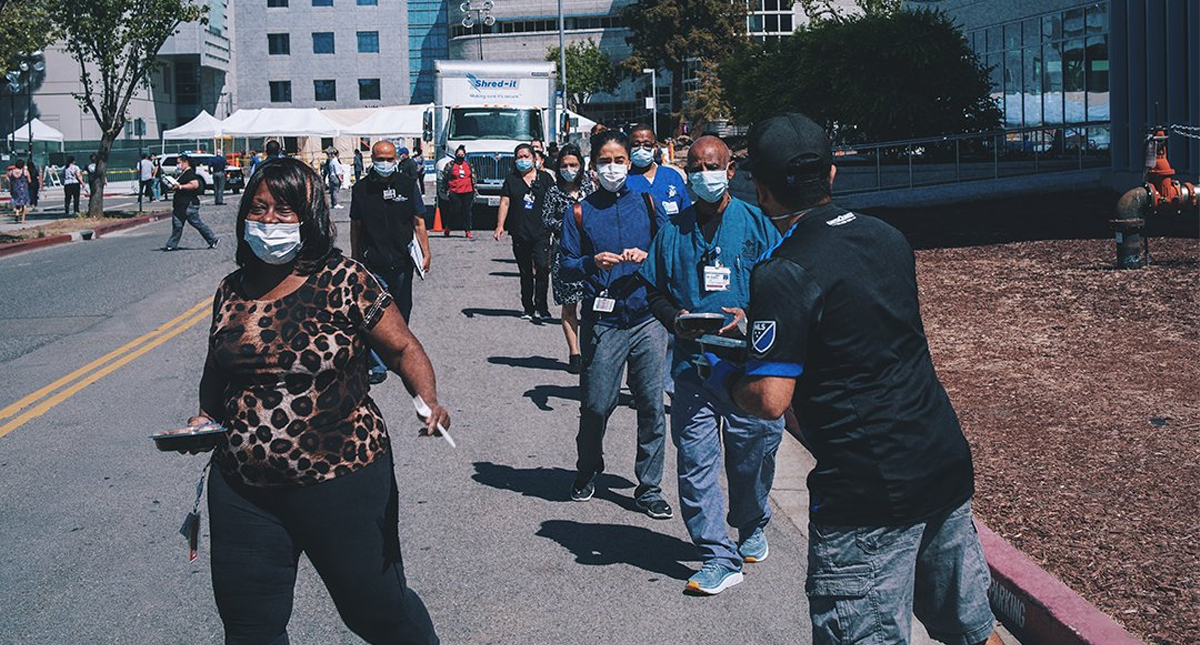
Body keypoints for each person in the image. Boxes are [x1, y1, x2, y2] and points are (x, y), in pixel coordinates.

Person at [709, 113, 1001, 645]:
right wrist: (769, 326)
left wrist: (726, 378)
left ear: (761, 191)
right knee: (971, 631)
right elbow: (855, 320)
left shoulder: (783, 270)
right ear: (833, 175)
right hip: (940, 461)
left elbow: (771, 399)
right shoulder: (886, 236)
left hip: (867, 490)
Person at [189, 157, 446, 645]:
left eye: (284, 212)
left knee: (376, 612)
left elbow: (402, 347)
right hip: (244, 487)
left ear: (309, 219)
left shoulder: (345, 280)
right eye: (259, 209)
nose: (268, 222)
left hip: (340, 479)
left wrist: (427, 399)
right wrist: (205, 419)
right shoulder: (231, 289)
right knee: (250, 629)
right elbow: (216, 369)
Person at [638, 135, 784, 595]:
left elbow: (784, 288)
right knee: (696, 462)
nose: (704, 174)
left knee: (750, 458)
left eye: (713, 166)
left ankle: (751, 521)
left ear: (731, 170)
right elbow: (654, 291)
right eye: (696, 167)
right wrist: (674, 319)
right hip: (692, 369)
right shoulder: (672, 231)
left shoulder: (757, 225)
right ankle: (717, 555)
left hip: (746, 369)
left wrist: (750, 315)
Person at [558, 129, 672, 520]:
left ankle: (650, 486)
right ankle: (588, 468)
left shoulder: (648, 202)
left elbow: (669, 249)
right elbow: (566, 264)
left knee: (651, 406)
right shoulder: (579, 211)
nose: (612, 167)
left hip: (647, 318)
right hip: (603, 321)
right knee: (595, 404)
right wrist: (594, 262)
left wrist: (648, 254)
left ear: (630, 163)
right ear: (593, 167)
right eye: (604, 161)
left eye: (619, 160)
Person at [350, 140, 432, 382]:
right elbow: (356, 226)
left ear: (396, 159)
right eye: (380, 159)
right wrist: (355, 257)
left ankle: (394, 349)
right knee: (375, 312)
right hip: (373, 262)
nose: (384, 163)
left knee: (402, 309)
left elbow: (419, 221)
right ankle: (375, 362)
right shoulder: (361, 189)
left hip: (402, 260)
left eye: (389, 159)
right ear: (372, 160)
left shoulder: (407, 185)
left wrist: (426, 252)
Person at [541, 144, 594, 374]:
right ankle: (574, 352)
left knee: (592, 305)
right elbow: (546, 220)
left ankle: (593, 351)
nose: (569, 169)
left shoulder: (589, 188)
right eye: (564, 165)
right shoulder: (553, 192)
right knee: (569, 305)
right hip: (565, 253)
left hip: (591, 253)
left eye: (573, 165)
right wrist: (570, 226)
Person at [494, 144, 555, 321]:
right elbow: (504, 203)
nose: (523, 160)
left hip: (542, 232)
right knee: (525, 271)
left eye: (526, 156)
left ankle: (542, 307)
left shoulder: (544, 179)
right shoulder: (511, 180)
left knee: (543, 268)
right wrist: (500, 225)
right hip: (520, 231)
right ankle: (528, 307)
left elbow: (554, 201)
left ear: (534, 158)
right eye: (519, 157)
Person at [625, 123, 690, 221]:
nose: (641, 149)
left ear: (655, 148)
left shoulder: (672, 177)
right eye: (636, 145)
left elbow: (686, 213)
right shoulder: (624, 179)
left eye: (647, 145)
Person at [162, 153, 219, 251]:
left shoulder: (190, 173)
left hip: (189, 204)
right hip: (180, 204)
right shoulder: (182, 173)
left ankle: (212, 239)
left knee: (196, 223)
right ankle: (171, 245)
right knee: (177, 225)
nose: (177, 165)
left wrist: (180, 187)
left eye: (179, 163)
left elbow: (195, 184)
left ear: (185, 162)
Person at [440, 145, 475, 238]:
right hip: (455, 190)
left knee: (467, 211)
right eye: (458, 154)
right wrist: (445, 189)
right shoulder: (450, 165)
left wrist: (474, 189)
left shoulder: (468, 165)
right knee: (455, 209)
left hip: (468, 190)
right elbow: (445, 178)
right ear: (455, 155)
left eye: (462, 154)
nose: (460, 155)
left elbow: (473, 177)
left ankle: (468, 230)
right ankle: (449, 227)